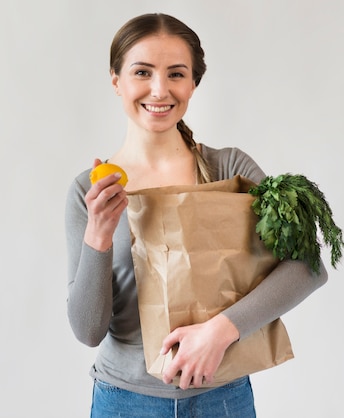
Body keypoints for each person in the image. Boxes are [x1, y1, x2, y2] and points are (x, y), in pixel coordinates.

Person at [65, 13, 328, 417]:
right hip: (123, 402)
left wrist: (221, 331)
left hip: (223, 398)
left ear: (193, 84)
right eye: (142, 72)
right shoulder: (90, 190)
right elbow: (88, 330)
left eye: (176, 74)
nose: (159, 89)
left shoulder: (229, 169)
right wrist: (98, 235)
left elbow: (307, 266)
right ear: (116, 81)